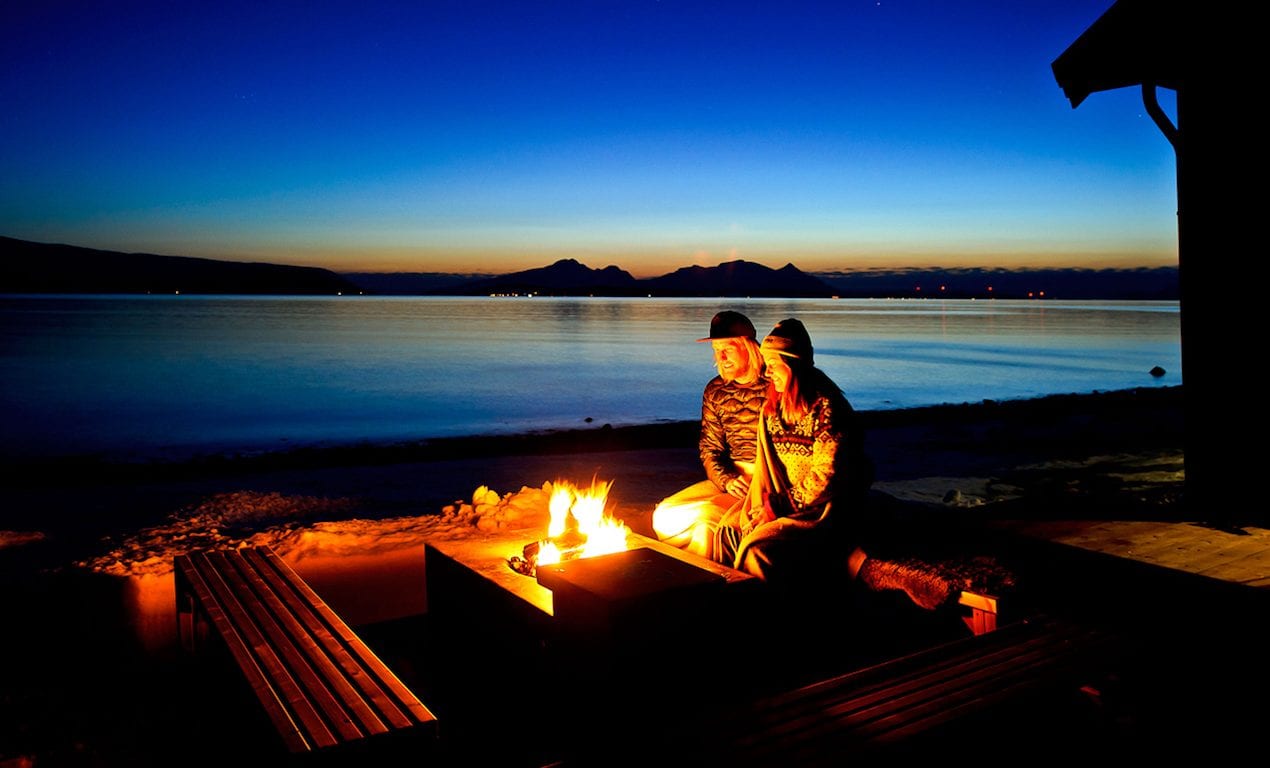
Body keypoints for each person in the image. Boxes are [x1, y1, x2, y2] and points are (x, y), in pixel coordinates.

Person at [715, 317, 874, 583]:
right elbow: (767, 468)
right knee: (726, 530)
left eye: (774, 366)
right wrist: (762, 503)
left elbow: (827, 477)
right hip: (781, 498)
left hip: (821, 508)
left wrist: (777, 506)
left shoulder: (826, 409)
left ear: (794, 365)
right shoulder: (773, 408)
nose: (767, 374)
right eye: (767, 366)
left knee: (757, 551)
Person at [651, 310, 767, 558]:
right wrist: (726, 479)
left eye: (728, 348)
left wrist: (763, 483)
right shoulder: (715, 390)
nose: (721, 357)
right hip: (730, 480)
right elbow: (710, 448)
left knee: (705, 523)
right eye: (716, 350)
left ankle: (701, 570)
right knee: (663, 515)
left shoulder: (775, 384)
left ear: (748, 347)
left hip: (765, 481)